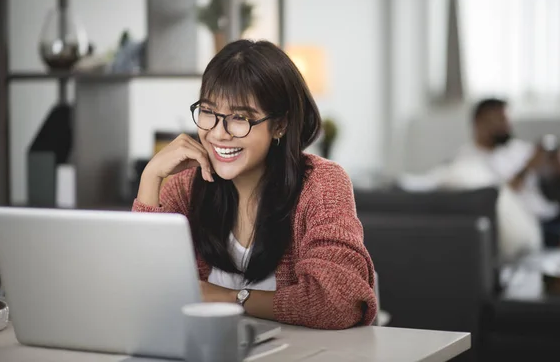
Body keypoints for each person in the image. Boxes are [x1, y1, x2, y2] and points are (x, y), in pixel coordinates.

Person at [132, 40, 377, 330]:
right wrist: (150, 178)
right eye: (208, 112)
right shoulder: (184, 189)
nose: (218, 134)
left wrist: (230, 299)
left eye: (240, 118)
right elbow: (142, 294)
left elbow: (337, 303)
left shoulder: (321, 184)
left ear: (280, 125)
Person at [458, 98, 560, 247]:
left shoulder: (518, 148)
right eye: (500, 120)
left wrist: (557, 159)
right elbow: (497, 199)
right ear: (479, 122)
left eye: (508, 120)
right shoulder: (468, 159)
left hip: (550, 212)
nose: (507, 126)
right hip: (525, 224)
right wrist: (528, 168)